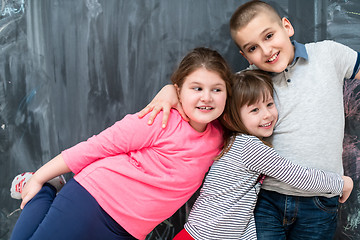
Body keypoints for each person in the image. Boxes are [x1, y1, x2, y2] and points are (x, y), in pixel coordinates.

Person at [138, 1, 360, 239]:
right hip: (267, 199)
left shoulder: (329, 53)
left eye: (269, 36)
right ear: (245, 56)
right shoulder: (243, 84)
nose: (266, 51)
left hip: (320, 200)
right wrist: (171, 91)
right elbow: (202, 97)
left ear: (287, 27)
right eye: (253, 48)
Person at [9, 47, 233, 240]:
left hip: (130, 231)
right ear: (178, 90)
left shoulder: (220, 136)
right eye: (197, 88)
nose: (207, 97)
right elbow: (95, 147)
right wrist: (39, 177)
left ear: (227, 93)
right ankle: (44, 185)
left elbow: (252, 88)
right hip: (92, 201)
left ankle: (48, 186)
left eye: (216, 89)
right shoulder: (158, 119)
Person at [171, 70, 353, 240]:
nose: (267, 115)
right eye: (254, 110)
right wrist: (340, 183)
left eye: (269, 104)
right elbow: (296, 175)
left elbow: (242, 205)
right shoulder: (248, 147)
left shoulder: (234, 142)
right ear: (230, 118)